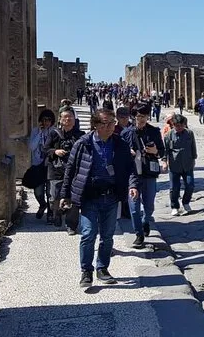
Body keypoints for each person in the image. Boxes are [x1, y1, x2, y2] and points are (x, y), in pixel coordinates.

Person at [59, 109, 139, 288]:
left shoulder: (120, 143)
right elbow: (70, 169)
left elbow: (130, 167)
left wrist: (133, 185)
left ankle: (102, 268)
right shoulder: (83, 143)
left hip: (111, 196)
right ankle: (86, 271)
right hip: (89, 196)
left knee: (107, 236)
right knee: (88, 234)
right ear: (95, 125)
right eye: (106, 123)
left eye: (112, 122)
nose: (111, 126)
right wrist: (65, 195)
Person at [125, 104, 164, 247]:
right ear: (134, 117)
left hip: (149, 173)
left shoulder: (154, 132)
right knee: (134, 206)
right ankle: (138, 234)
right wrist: (127, 153)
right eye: (139, 116)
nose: (141, 119)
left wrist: (155, 151)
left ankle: (145, 221)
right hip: (132, 174)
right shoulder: (126, 133)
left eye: (144, 116)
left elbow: (162, 151)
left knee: (149, 206)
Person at [44, 107, 84, 233]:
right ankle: (57, 213)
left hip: (74, 171)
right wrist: (55, 151)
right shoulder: (54, 134)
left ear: (74, 119)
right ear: (60, 120)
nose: (67, 119)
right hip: (56, 170)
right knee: (54, 197)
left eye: (70, 117)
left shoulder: (80, 135)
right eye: (65, 117)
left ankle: (71, 225)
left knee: (73, 198)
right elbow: (45, 149)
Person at [162, 114, 197, 216]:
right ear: (173, 125)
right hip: (174, 165)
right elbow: (165, 150)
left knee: (190, 185)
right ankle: (174, 206)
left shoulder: (189, 133)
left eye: (182, 125)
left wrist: (194, 158)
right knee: (174, 188)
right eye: (177, 126)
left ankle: (186, 202)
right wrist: (164, 162)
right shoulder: (168, 135)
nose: (180, 127)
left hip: (187, 164)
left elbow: (193, 146)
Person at [29, 109, 55, 221]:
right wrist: (40, 133)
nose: (46, 122)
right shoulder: (35, 131)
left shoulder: (55, 132)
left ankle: (50, 212)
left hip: (50, 165)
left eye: (49, 120)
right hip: (37, 164)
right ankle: (42, 204)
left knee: (50, 191)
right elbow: (32, 147)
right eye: (44, 120)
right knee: (38, 191)